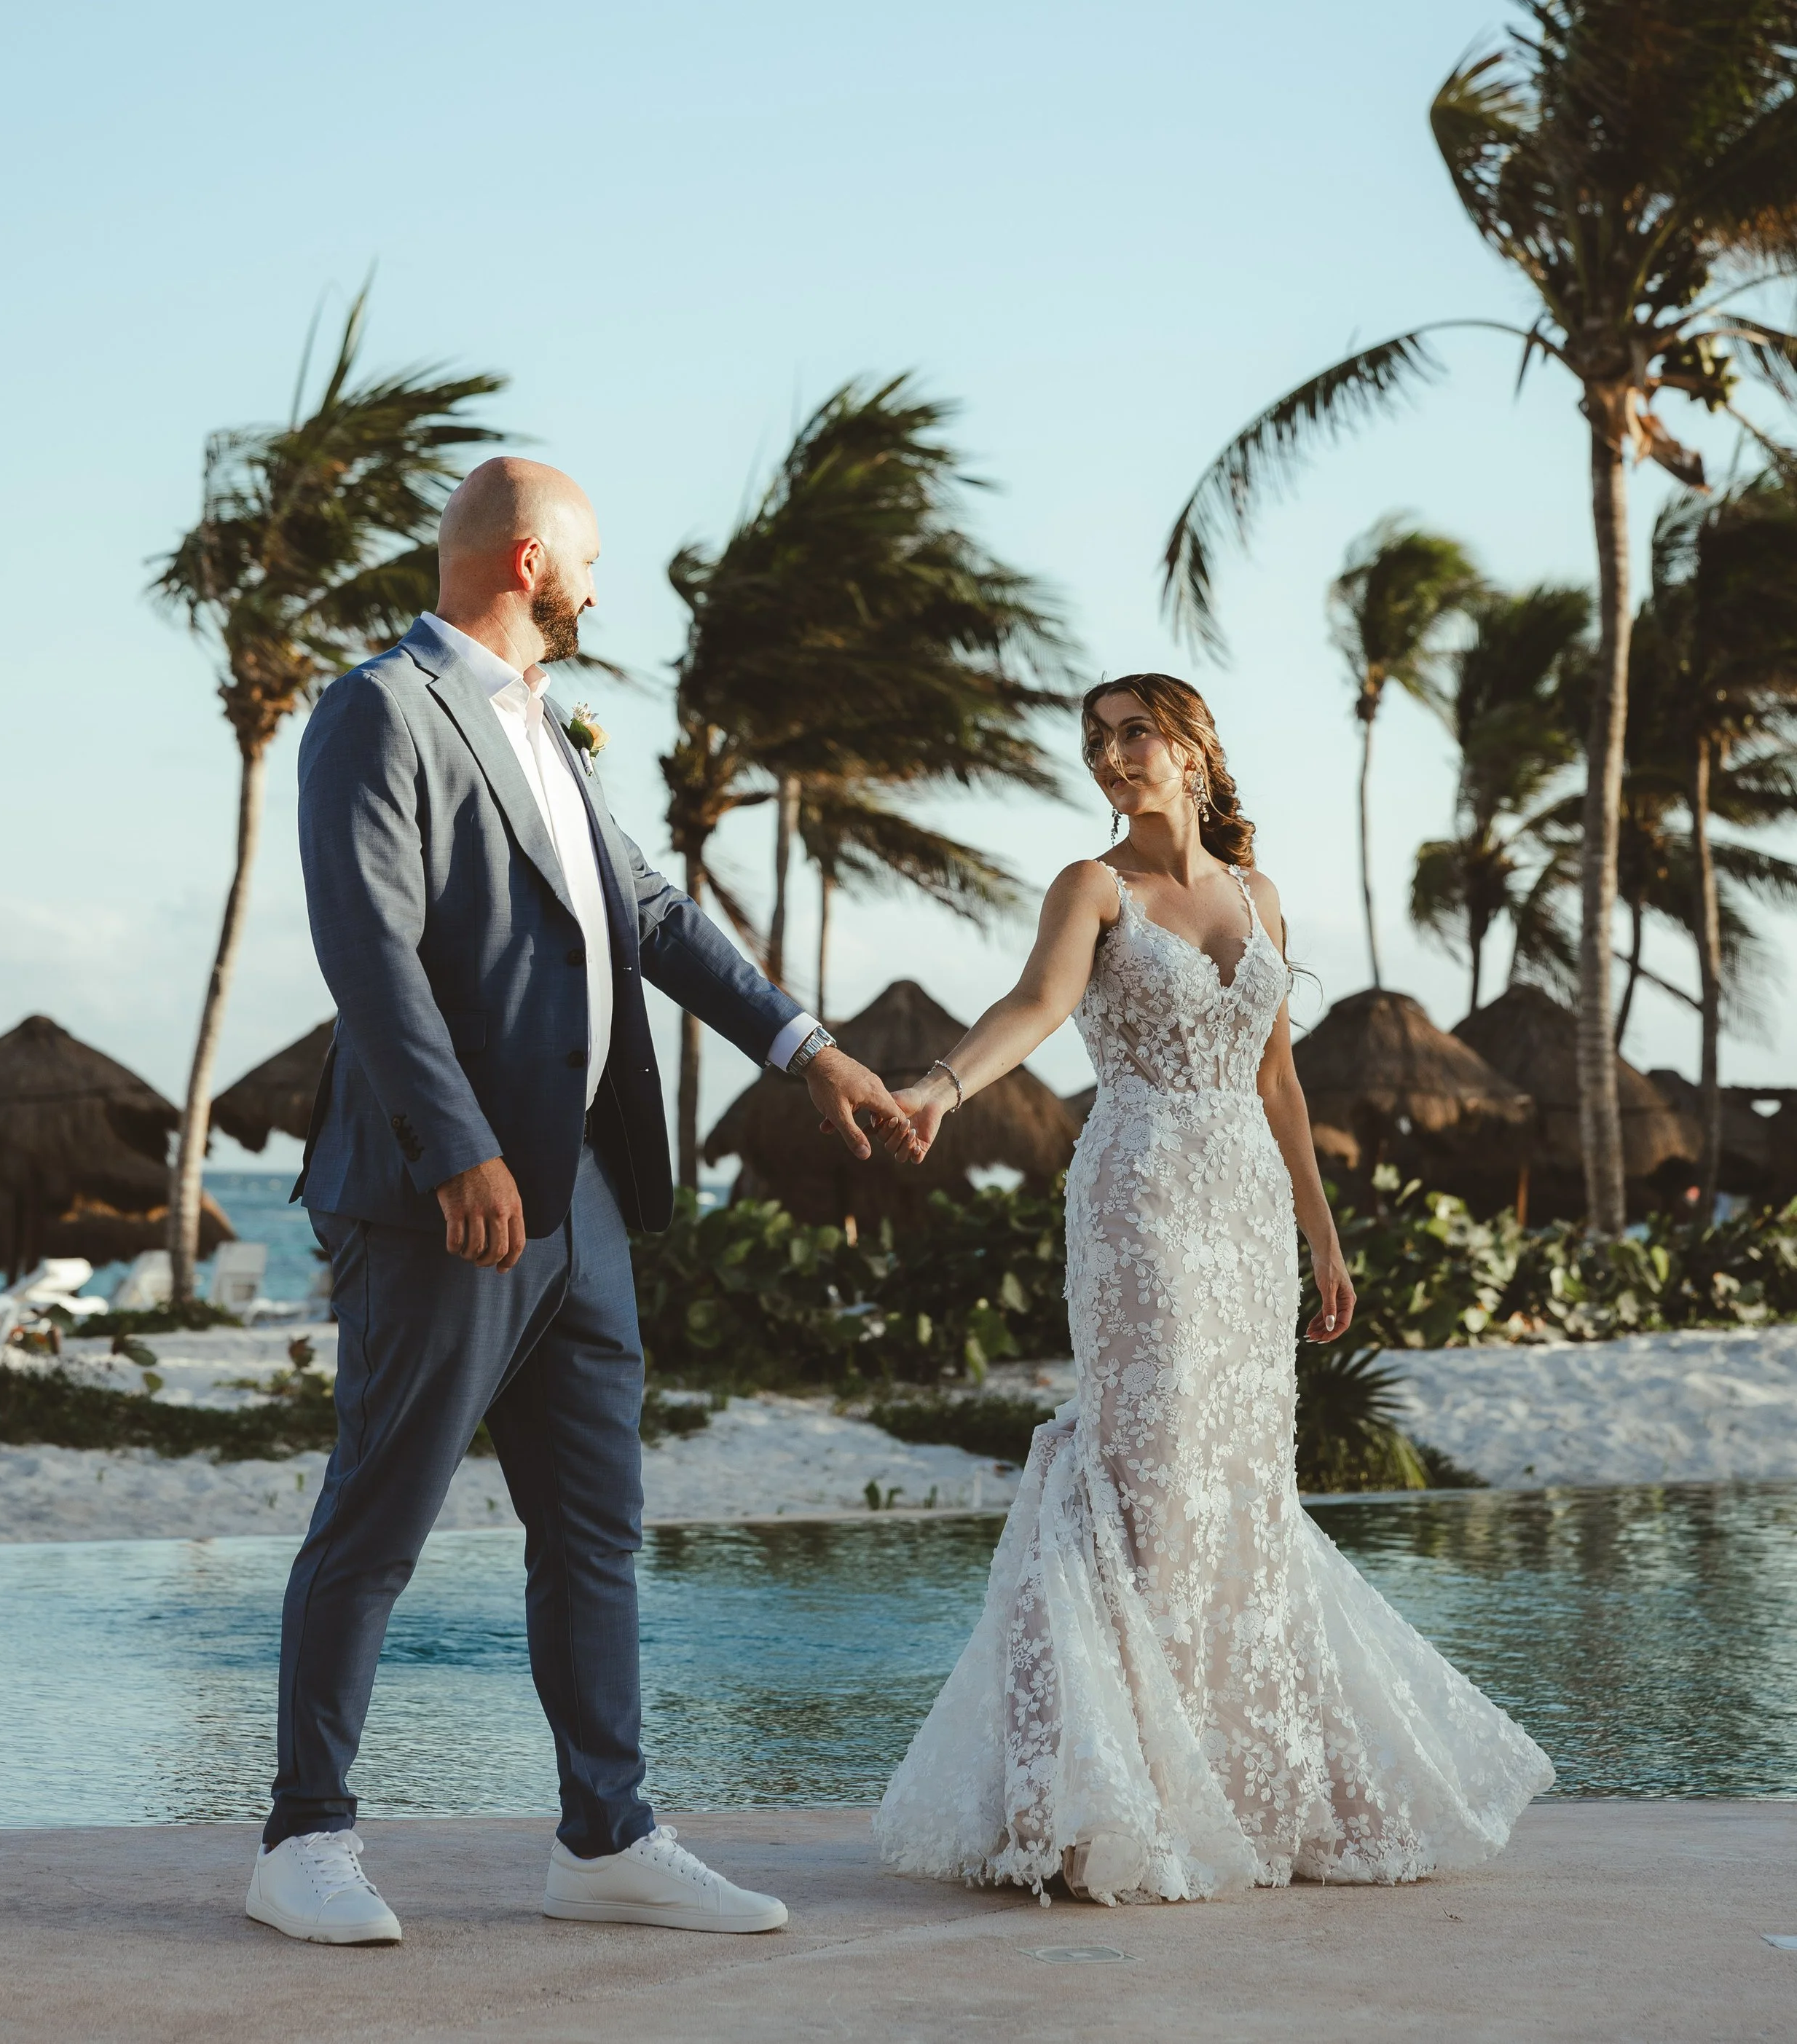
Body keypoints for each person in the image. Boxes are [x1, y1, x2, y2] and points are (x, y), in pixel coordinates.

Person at [246, 457, 913, 1947]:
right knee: (378, 1517)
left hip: (586, 1201)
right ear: (533, 560)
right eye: (591, 563)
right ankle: (303, 1840)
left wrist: (803, 1047)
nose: (603, 588)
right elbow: (370, 947)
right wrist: (456, 1146)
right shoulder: (378, 711)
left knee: (596, 1532)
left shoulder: (551, 732)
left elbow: (651, 918)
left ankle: (605, 1838)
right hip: (447, 1197)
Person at [871, 674, 1553, 1904]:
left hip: (1245, 1206)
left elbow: (1280, 1081)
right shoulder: (1095, 888)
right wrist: (940, 1086)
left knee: (1241, 1472)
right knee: (1153, 1463)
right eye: (1098, 739)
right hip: (1141, 1193)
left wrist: (1323, 1234)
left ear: (1193, 747)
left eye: (1136, 731)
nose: (1114, 754)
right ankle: (1116, 1793)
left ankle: (1238, 1784)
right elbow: (1035, 1005)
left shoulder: (1259, 895)